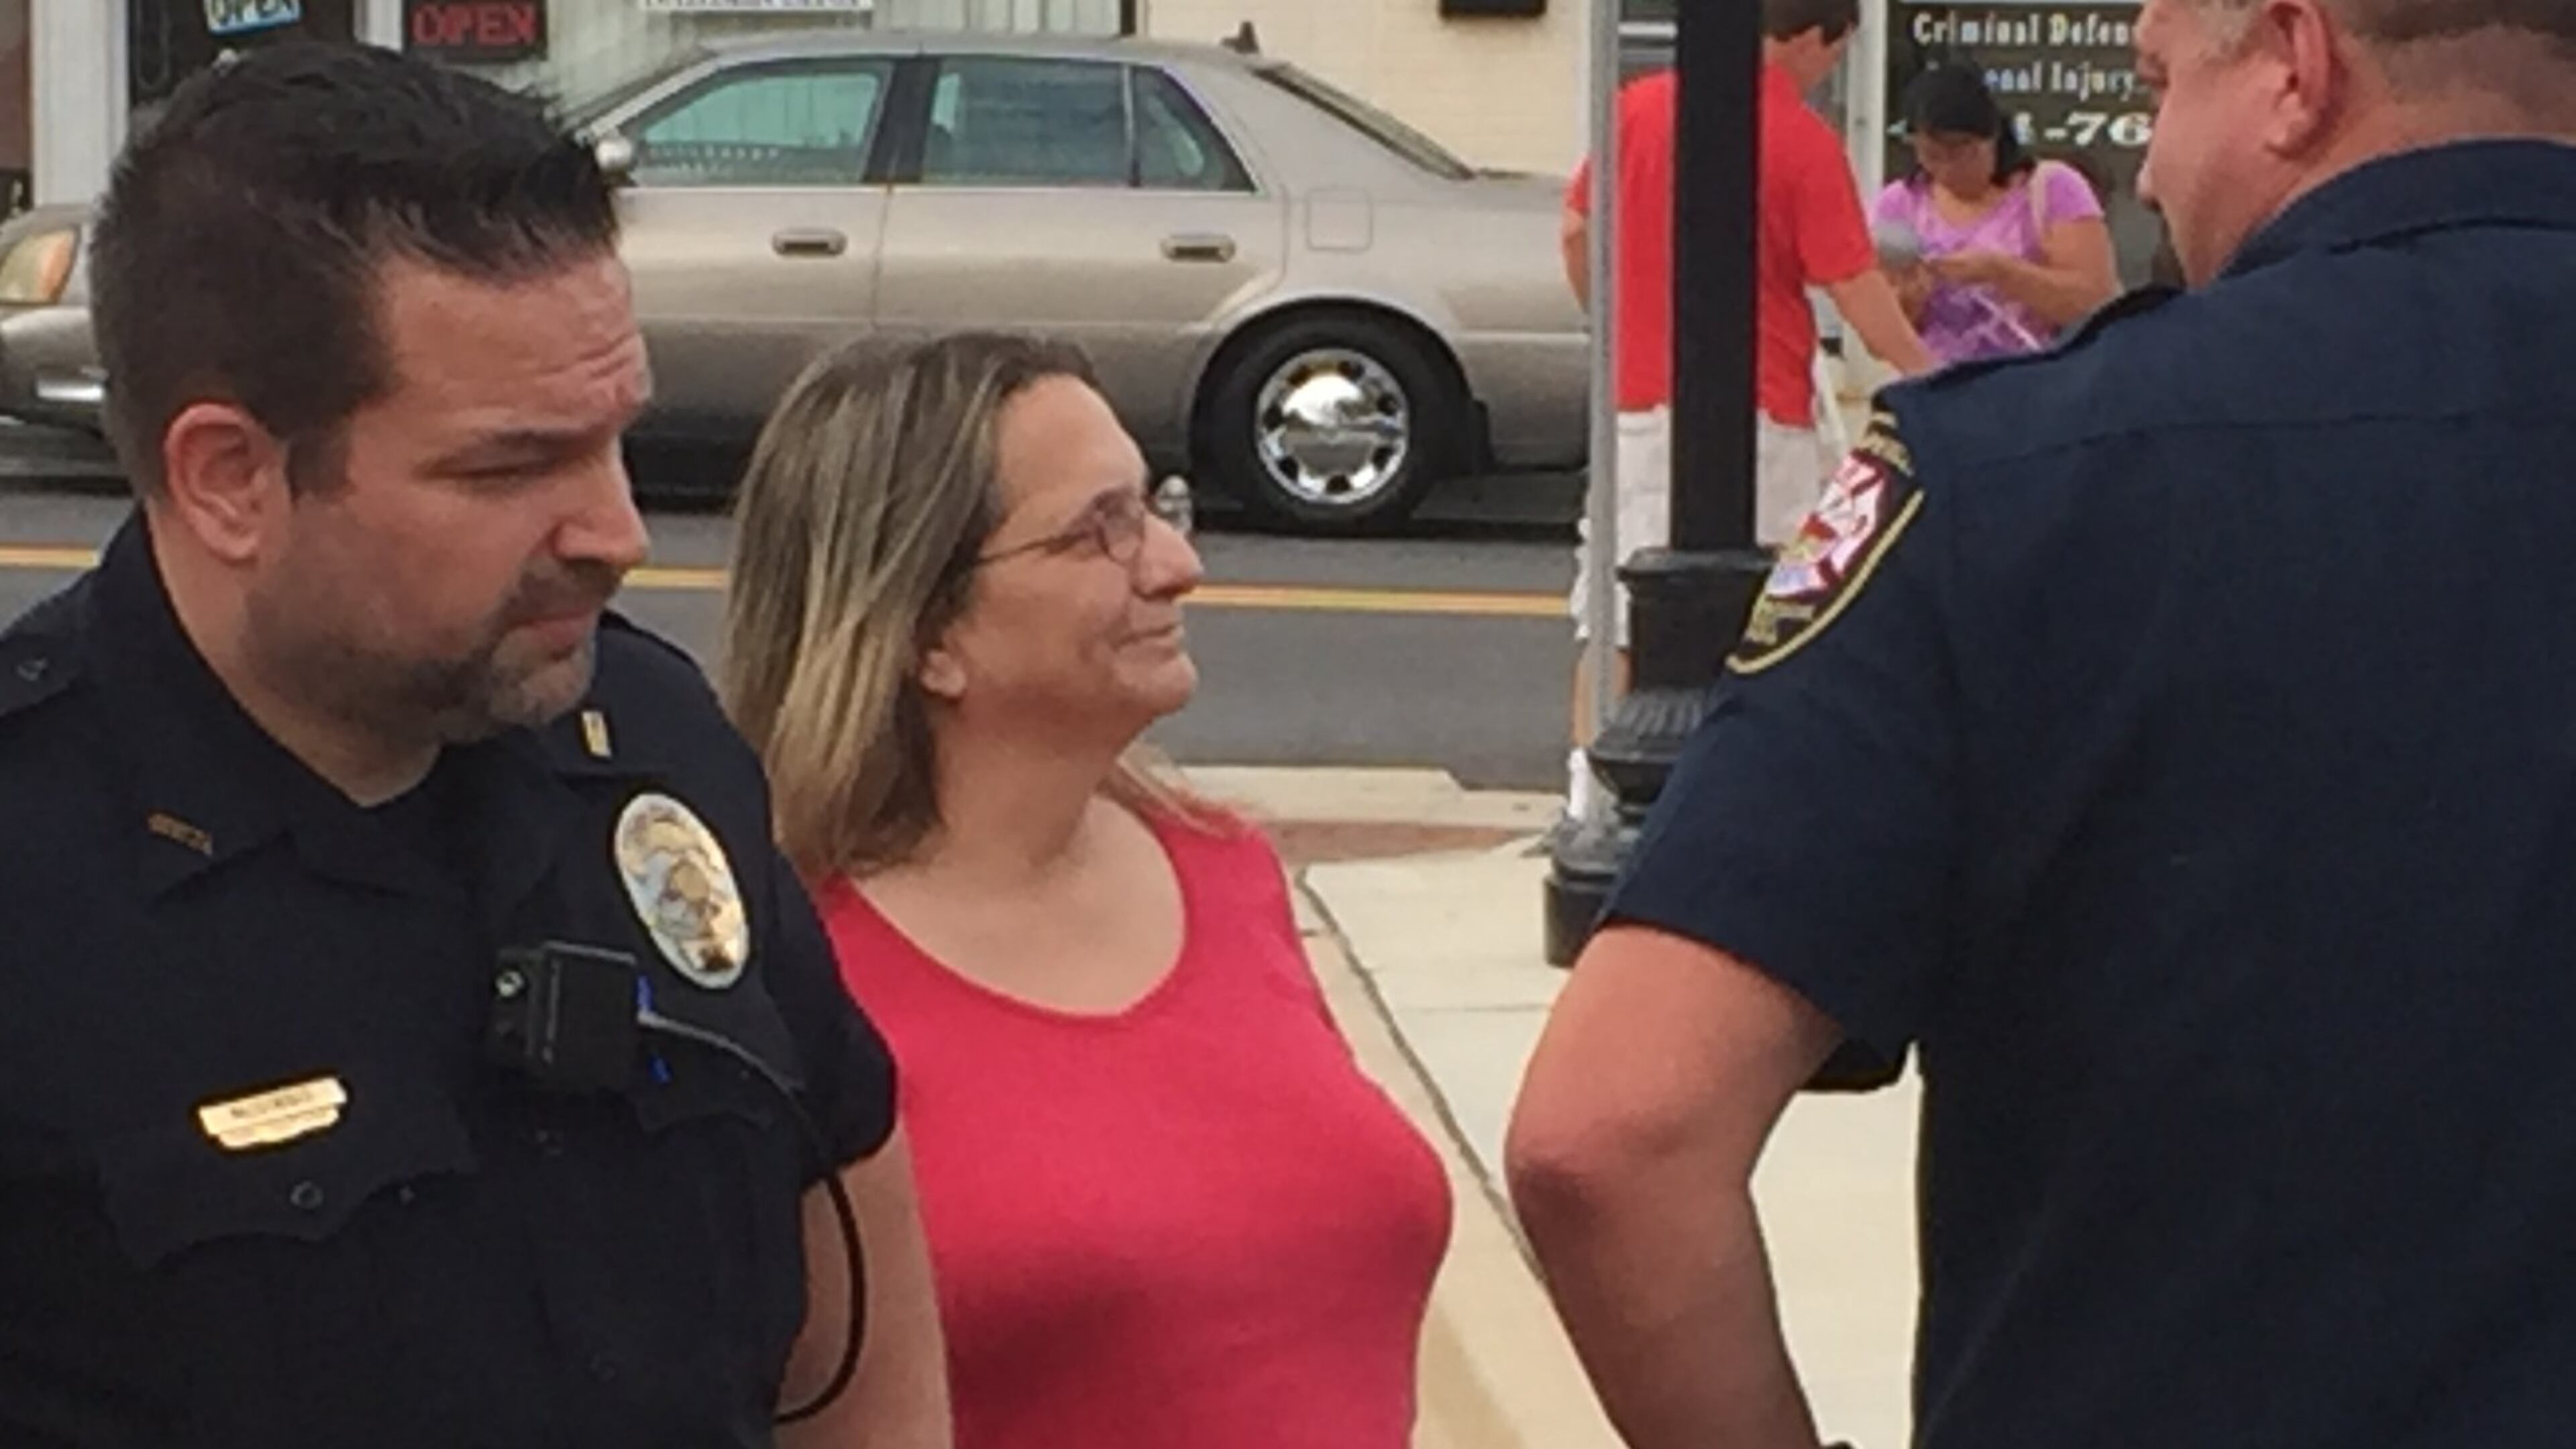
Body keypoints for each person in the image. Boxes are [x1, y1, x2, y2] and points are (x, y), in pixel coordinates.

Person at [1506, 0, 2576, 1444]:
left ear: (2295, 66)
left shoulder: (2014, 481)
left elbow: (1613, 1133)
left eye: (2154, 92)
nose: (2146, 173)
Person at [0, 45, 949, 1446]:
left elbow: (852, 1293)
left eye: (616, 440)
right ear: (231, 479)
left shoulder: (653, 748)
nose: (615, 533)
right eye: (511, 468)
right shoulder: (36, 871)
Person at [719, 332, 1452, 1449]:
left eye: (1155, 506)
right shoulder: (783, 973)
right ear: (927, 634)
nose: (1171, 563)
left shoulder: (1224, 869)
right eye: (1095, 530)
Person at [1559, 0, 1933, 819]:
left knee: (1616, 619)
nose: (1828, 73)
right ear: (1807, 38)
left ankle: (1590, 798)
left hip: (1631, 404)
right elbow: (1853, 285)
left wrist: (1615, 328)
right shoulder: (1800, 141)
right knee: (1768, 613)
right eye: (1833, 54)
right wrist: (1928, 372)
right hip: (1756, 415)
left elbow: (1577, 228)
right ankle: (1737, 799)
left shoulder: (1636, 108)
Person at [1875, 64, 2121, 363]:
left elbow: (2095, 301)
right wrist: (1912, 300)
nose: (1946, 170)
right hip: (1940, 383)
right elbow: (1880, 333)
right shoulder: (1900, 204)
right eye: (1931, 156)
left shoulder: (2053, 188)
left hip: (2040, 381)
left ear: (1991, 139)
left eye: (1960, 154)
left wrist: (2002, 273)